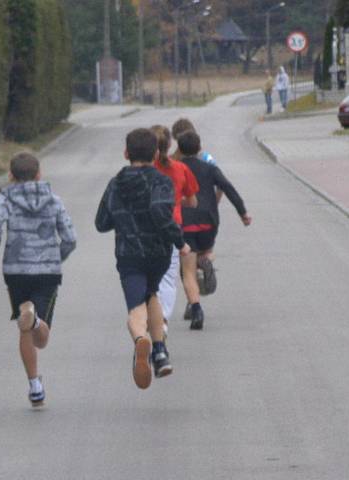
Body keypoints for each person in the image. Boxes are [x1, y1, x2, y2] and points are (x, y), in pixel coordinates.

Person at [95, 128, 191, 389]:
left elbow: (101, 223)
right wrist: (180, 242)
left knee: (136, 305)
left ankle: (141, 340)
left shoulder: (116, 183)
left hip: (130, 254)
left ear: (126, 153)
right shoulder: (161, 181)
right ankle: (159, 352)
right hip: (158, 253)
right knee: (152, 294)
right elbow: (161, 213)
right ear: (157, 153)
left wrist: (123, 217)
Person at [0, 153, 76, 407]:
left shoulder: (5, 199)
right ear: (39, 174)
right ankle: (34, 320)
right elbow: (70, 237)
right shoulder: (54, 200)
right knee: (41, 337)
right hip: (47, 272)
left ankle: (35, 385)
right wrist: (56, 257)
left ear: (10, 175)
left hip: (16, 271)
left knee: (24, 326)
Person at [176, 130, 251, 330]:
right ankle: (206, 260)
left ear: (179, 149)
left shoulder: (176, 169)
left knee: (187, 269)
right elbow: (227, 187)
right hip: (208, 223)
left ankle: (195, 308)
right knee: (205, 252)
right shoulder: (209, 168)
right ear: (199, 148)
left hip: (186, 223)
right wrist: (243, 212)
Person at [151, 124, 198, 333]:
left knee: (148, 276)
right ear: (170, 144)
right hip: (173, 226)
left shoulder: (145, 170)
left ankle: (147, 317)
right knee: (168, 278)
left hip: (147, 227)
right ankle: (163, 321)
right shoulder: (180, 169)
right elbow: (193, 201)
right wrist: (177, 201)